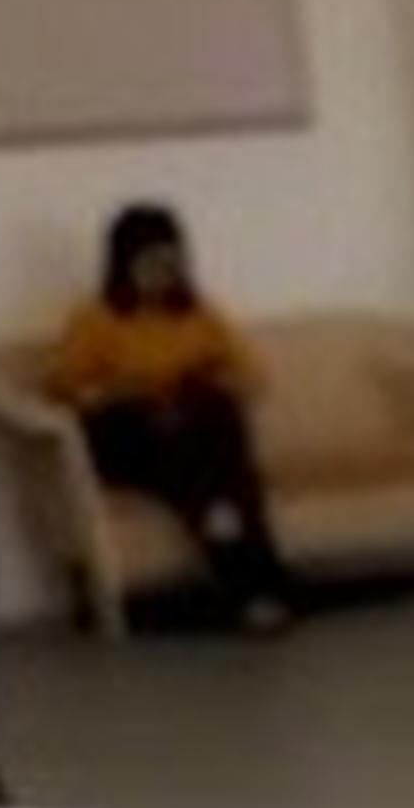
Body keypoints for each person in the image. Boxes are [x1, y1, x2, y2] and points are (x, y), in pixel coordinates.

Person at [41, 202, 294, 628]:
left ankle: (237, 552)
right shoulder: (95, 319)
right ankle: (252, 582)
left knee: (217, 419)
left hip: (194, 437)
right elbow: (63, 387)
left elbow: (252, 374)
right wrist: (120, 389)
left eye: (169, 263)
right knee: (167, 433)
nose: (161, 274)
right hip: (131, 437)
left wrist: (210, 378)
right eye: (150, 264)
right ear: (124, 265)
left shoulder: (199, 313)